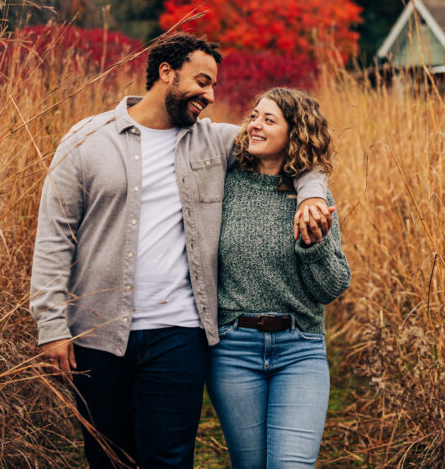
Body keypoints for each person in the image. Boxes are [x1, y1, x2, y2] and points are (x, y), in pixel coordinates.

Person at [29, 35, 332, 469]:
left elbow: (292, 151)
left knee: (169, 459)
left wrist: (311, 196)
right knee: (107, 457)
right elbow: (55, 235)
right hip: (96, 331)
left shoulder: (216, 142)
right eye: (203, 82)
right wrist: (51, 324)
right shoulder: (87, 139)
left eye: (213, 87)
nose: (210, 96)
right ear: (167, 73)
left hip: (181, 333)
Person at [208, 87, 351, 468]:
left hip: (299, 347)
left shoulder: (315, 199)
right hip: (232, 349)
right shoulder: (225, 185)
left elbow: (331, 288)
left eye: (268, 120)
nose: (254, 125)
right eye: (254, 115)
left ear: (296, 133)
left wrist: (314, 244)